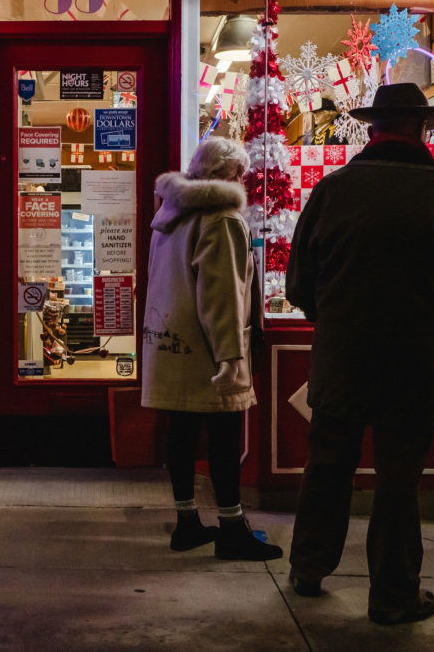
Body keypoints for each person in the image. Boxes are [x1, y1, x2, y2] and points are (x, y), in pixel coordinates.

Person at [285, 83, 434, 624]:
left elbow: (297, 287)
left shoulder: (332, 191)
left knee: (328, 464)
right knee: (399, 480)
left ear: (371, 128)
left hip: (342, 359)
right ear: (423, 129)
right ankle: (392, 595)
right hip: (417, 364)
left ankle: (308, 567)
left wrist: (337, 319)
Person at [142, 136, 282, 561]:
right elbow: (221, 298)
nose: (243, 179)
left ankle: (186, 522)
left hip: (171, 344)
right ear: (226, 175)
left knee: (181, 436)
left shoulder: (170, 215)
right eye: (239, 172)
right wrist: (230, 357)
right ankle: (232, 527)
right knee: (223, 437)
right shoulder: (220, 220)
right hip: (209, 352)